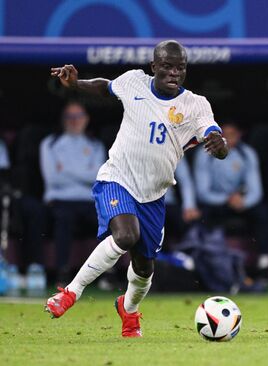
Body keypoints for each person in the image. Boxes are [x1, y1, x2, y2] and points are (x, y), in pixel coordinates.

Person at [45, 40, 228, 338]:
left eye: (180, 68)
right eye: (167, 66)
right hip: (117, 179)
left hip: (153, 196)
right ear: (154, 67)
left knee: (144, 271)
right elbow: (106, 86)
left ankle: (128, 311)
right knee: (126, 236)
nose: (174, 73)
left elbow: (213, 134)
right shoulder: (133, 82)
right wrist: (76, 83)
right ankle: (70, 293)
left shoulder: (195, 104)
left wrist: (221, 144)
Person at [39, 102, 106, 283]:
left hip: (89, 201)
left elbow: (98, 177)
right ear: (63, 120)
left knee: (108, 220)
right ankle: (62, 272)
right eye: (70, 117)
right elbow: (53, 179)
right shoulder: (50, 144)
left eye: (78, 116)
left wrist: (65, 170)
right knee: (64, 219)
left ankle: (106, 275)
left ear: (86, 119)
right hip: (60, 200)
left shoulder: (96, 145)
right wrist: (85, 174)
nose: (74, 121)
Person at [194, 121, 268, 272]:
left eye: (233, 134)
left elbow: (256, 190)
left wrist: (243, 201)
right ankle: (207, 260)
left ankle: (264, 261)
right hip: (216, 201)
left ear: (239, 135)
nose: (229, 138)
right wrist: (226, 199)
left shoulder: (247, 153)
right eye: (225, 135)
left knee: (263, 213)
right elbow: (202, 192)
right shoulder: (204, 153)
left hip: (241, 201)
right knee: (204, 215)